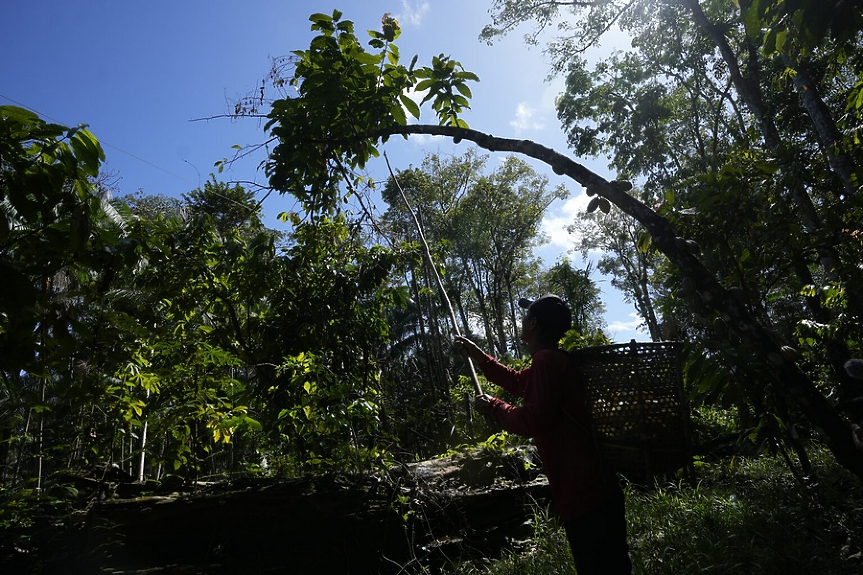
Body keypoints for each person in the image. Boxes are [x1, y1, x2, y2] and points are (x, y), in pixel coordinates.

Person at [454, 294, 632, 574]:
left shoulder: (547, 362)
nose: (522, 321)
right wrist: (478, 354)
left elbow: (533, 421)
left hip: (584, 494)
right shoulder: (553, 361)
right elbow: (515, 380)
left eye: (526, 317)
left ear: (533, 323)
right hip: (595, 490)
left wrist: (494, 408)